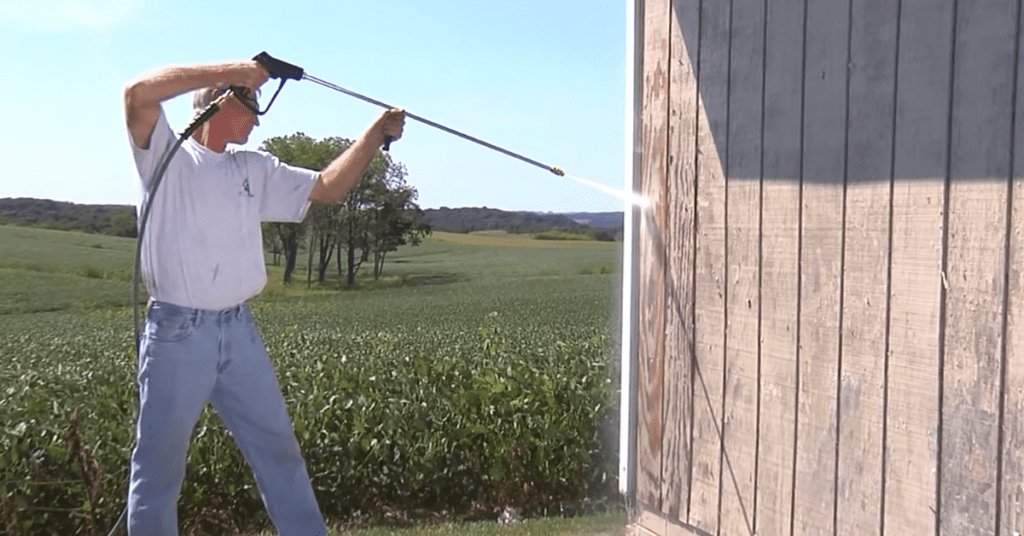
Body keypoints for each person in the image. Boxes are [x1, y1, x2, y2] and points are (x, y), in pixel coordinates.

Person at [123, 58, 405, 535]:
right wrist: (235, 68)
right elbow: (137, 93)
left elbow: (328, 187)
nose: (257, 119)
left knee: (279, 451)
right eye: (250, 104)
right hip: (176, 333)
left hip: (238, 331)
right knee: (159, 471)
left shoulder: (253, 167)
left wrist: (376, 132)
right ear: (222, 101)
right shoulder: (165, 155)